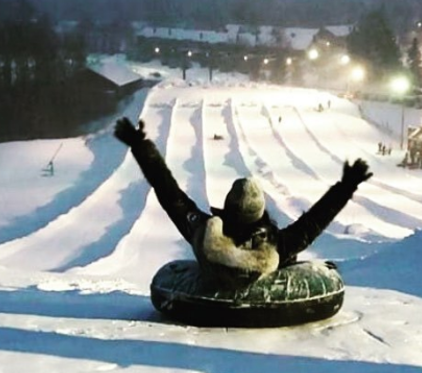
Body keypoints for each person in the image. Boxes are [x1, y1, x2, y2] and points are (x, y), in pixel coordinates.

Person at [114, 117, 372, 285]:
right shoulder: (278, 248)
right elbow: (314, 221)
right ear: (260, 213)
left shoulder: (203, 235)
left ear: (226, 208)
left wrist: (140, 146)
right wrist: (346, 187)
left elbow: (169, 193)